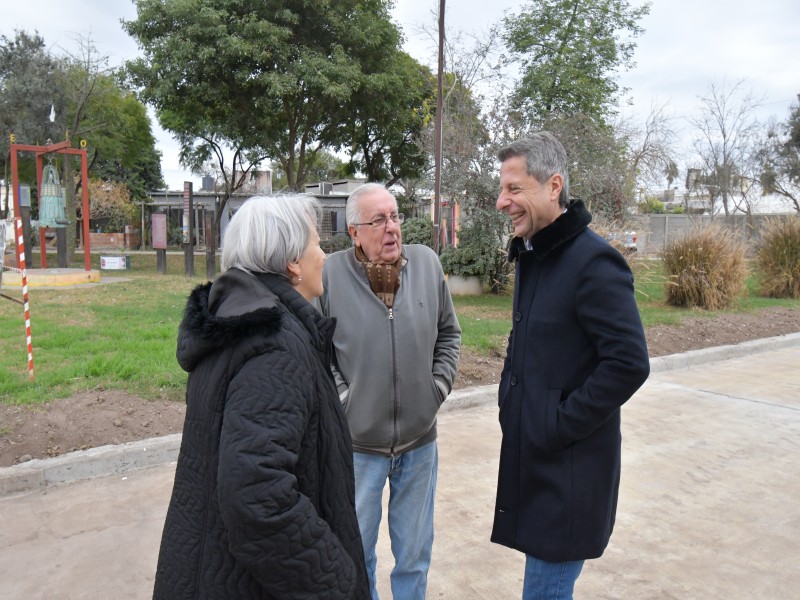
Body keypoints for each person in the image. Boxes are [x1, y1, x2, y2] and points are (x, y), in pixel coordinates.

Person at [153, 195, 370, 600]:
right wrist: (335, 578)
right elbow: (257, 495)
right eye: (316, 245)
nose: (324, 256)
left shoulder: (238, 321)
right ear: (292, 262)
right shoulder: (274, 346)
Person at [491, 133, 650, 599]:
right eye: (502, 190)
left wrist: (556, 424)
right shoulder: (535, 254)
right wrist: (511, 400)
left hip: (569, 475)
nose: (503, 202)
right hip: (538, 464)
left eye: (514, 189)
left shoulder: (594, 262)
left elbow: (628, 362)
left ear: (553, 185)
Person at [319, 183, 461, 600]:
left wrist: (436, 388)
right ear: (354, 233)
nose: (392, 228)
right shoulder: (329, 274)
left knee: (414, 555)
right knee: (357, 551)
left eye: (395, 216)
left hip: (420, 444)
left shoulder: (428, 264)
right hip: (358, 448)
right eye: (378, 220)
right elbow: (317, 351)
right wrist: (344, 400)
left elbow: (449, 334)